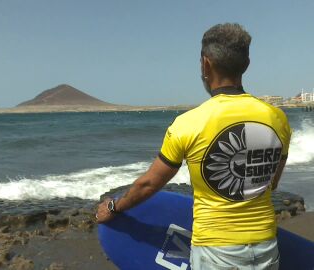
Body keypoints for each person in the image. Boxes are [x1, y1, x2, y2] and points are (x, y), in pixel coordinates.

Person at [96, 23, 291, 270]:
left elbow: (150, 184)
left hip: (215, 252)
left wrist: (114, 207)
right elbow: (271, 182)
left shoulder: (188, 124)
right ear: (247, 64)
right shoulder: (277, 118)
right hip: (266, 247)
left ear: (205, 64)